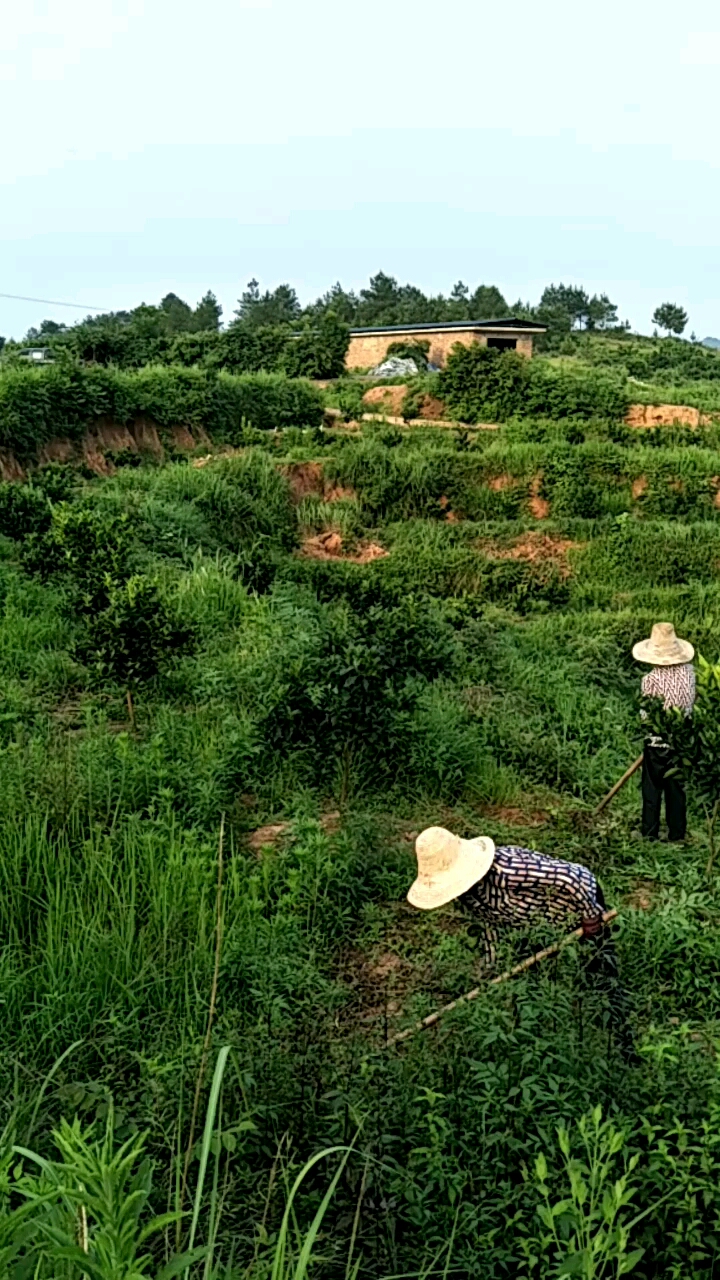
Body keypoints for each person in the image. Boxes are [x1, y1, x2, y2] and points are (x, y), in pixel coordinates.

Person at [407, 826, 636, 1060]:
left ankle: (623, 1044)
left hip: (577, 906)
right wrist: (492, 965)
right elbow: (490, 924)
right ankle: (536, 1044)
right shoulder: (467, 894)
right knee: (526, 985)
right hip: (531, 925)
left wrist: (590, 917)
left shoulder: (507, 870)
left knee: (600, 974)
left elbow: (570, 878)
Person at [633, 622, 695, 842]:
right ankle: (677, 834)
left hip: (657, 743)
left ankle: (649, 833)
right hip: (682, 741)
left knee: (652, 790)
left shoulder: (649, 680)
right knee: (676, 789)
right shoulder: (690, 673)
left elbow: (646, 716)